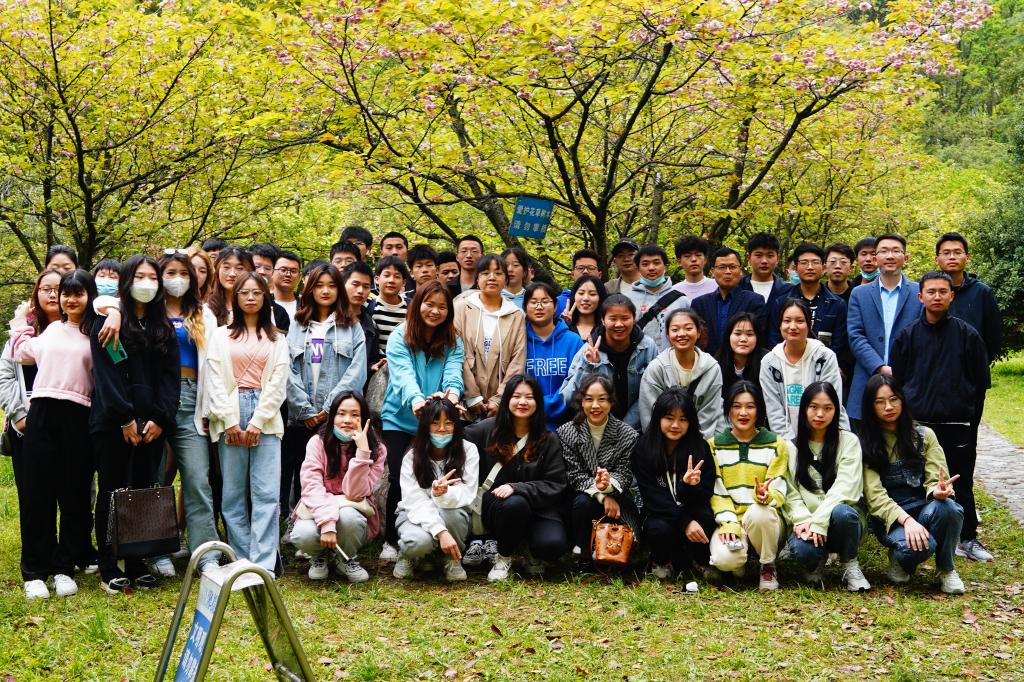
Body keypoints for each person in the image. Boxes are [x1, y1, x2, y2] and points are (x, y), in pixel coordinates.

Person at [90, 255, 181, 593]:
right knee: (112, 491)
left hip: (153, 425)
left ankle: (137, 560)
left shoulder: (163, 328)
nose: (146, 283)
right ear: (127, 281)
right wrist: (125, 418)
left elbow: (171, 378)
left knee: (143, 490)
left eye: (152, 277)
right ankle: (108, 564)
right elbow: (107, 376)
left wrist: (159, 418)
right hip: (113, 423)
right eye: (139, 276)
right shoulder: (109, 323)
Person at [890, 270, 992, 562]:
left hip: (957, 423)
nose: (937, 296)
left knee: (961, 480)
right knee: (914, 482)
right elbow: (897, 383)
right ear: (920, 297)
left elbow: (980, 386)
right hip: (918, 425)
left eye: (942, 291)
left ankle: (967, 537)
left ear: (952, 296)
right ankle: (917, 534)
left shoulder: (968, 335)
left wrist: (970, 423)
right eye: (931, 292)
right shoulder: (907, 336)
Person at [9, 270, 96, 599]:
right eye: (65, 293)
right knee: (37, 495)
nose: (70, 299)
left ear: (89, 296)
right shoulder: (52, 331)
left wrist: (111, 313)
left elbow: (118, 360)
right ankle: (34, 571)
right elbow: (22, 352)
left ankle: (64, 567)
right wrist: (21, 320)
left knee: (74, 496)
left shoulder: (98, 333)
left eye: (78, 293)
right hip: (42, 413)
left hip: (79, 415)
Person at [204, 272, 290, 572]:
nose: (250, 298)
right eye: (244, 293)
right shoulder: (220, 335)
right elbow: (214, 379)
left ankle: (263, 565)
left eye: (256, 293)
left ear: (266, 297)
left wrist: (258, 422)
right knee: (232, 495)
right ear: (236, 297)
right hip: (230, 412)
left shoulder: (277, 338)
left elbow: (278, 382)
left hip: (266, 417)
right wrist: (229, 422)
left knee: (266, 493)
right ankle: (242, 562)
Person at [378, 280, 464, 563]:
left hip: (437, 420)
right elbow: (402, 375)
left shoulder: (453, 340)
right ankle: (392, 539)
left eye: (442, 307)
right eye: (429, 304)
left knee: (438, 476)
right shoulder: (399, 336)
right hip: (400, 418)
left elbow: (453, 375)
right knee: (397, 477)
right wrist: (416, 400)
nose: (435, 311)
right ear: (417, 305)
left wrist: (451, 398)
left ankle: (435, 536)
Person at [859, 374, 966, 594]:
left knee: (950, 509)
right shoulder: (865, 444)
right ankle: (901, 557)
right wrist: (907, 521)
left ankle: (946, 569)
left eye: (894, 399)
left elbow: (937, 477)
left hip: (925, 510)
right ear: (870, 407)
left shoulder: (924, 436)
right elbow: (875, 497)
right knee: (921, 547)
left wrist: (937, 491)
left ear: (902, 400)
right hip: (891, 521)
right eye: (880, 402)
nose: (888, 407)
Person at [285, 263, 367, 528]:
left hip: (336, 415)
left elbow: (356, 372)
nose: (325, 291)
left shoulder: (351, 326)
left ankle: (337, 522)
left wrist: (329, 409)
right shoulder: (297, 325)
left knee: (332, 469)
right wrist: (305, 410)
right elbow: (287, 369)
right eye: (319, 285)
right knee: (304, 469)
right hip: (302, 416)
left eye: (332, 286)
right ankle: (301, 522)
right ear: (309, 289)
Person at [464, 376, 569, 581]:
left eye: (529, 397)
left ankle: (528, 546)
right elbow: (454, 438)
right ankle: (503, 557)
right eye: (516, 396)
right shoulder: (487, 429)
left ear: (538, 402)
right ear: (507, 400)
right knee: (515, 504)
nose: (522, 402)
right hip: (497, 506)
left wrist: (517, 487)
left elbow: (555, 484)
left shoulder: (548, 439)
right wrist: (444, 411)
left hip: (538, 509)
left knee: (552, 545)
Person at [159, 252, 220, 575]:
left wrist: (210, 407)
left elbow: (214, 363)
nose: (178, 279)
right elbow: (106, 305)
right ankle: (156, 551)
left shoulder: (203, 313)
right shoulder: (146, 310)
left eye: (184, 273)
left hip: (193, 398)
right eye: (171, 272)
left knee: (197, 480)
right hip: (156, 400)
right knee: (156, 480)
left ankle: (206, 555)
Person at [783, 382, 870, 591]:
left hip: (842, 519)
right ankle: (816, 561)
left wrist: (820, 521)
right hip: (808, 520)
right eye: (813, 407)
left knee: (843, 513)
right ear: (804, 409)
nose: (820, 414)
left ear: (836, 411)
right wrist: (803, 519)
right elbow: (791, 493)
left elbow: (845, 487)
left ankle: (850, 563)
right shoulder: (790, 447)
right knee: (804, 551)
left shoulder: (849, 441)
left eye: (828, 408)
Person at [290, 391, 385, 583]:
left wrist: (362, 452)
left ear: (364, 419)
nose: (347, 420)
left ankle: (346, 557)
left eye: (355, 415)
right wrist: (327, 523)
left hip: (352, 511)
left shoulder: (377, 450)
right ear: (332, 416)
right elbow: (311, 487)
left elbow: (355, 494)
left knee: (349, 517)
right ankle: (319, 556)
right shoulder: (317, 443)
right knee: (302, 534)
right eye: (341, 414)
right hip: (318, 509)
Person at [708, 381, 789, 591]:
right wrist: (729, 523)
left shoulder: (776, 444)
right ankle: (739, 562)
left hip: (766, 521)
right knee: (724, 560)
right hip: (731, 521)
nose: (743, 413)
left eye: (750, 406)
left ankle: (767, 565)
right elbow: (717, 492)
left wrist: (766, 496)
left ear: (759, 410)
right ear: (728, 410)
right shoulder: (714, 445)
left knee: (760, 512)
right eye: (737, 406)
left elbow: (779, 488)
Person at [556, 375, 639, 570]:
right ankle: (583, 553)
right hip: (580, 500)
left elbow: (625, 473)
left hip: (618, 499)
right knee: (583, 502)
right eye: (589, 399)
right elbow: (574, 475)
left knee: (624, 551)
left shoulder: (627, 434)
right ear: (581, 402)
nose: (595, 406)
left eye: (602, 399)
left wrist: (609, 486)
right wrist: (602, 495)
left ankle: (607, 551)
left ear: (611, 402)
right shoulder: (567, 432)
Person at [393, 396, 479, 582]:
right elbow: (414, 500)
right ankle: (410, 555)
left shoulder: (469, 450)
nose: (442, 429)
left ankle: (451, 558)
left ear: (456, 425)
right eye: (435, 423)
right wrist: (441, 532)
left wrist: (444, 494)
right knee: (417, 542)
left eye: (448, 423)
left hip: (453, 514)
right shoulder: (412, 456)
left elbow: (468, 493)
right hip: (414, 514)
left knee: (453, 514)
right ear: (425, 426)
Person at [632, 388, 716, 579]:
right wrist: (685, 522)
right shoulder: (644, 448)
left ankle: (700, 559)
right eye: (669, 418)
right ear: (658, 418)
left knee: (705, 517)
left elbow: (706, 494)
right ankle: (661, 560)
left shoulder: (700, 448)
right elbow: (653, 498)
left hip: (691, 509)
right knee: (659, 529)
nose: (676, 425)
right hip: (659, 512)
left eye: (683, 419)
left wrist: (688, 486)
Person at [846, 233, 922, 426]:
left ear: (905, 258)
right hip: (866, 380)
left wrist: (900, 368)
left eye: (896, 251)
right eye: (884, 251)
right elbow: (855, 336)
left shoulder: (919, 292)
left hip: (908, 382)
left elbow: (923, 336)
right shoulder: (859, 294)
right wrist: (879, 367)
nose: (890, 256)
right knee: (865, 441)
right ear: (875, 258)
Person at [561, 295, 658, 429]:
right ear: (602, 320)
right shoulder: (588, 350)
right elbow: (567, 399)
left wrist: (623, 429)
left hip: (637, 428)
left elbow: (651, 394)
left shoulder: (647, 347)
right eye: (612, 319)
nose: (619, 324)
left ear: (634, 318)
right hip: (595, 428)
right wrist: (589, 366)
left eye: (625, 318)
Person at [760, 299, 849, 439]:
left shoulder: (825, 357)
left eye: (799, 321)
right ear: (780, 325)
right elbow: (774, 412)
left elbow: (832, 404)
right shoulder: (769, 363)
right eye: (787, 321)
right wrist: (791, 444)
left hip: (826, 437)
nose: (792, 326)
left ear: (809, 324)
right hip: (786, 441)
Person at [453, 253, 526, 420]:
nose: (492, 277)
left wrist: (499, 399)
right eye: (485, 273)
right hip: (463, 404)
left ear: (506, 279)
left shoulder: (516, 314)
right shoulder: (461, 308)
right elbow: (456, 352)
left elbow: (517, 361)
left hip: (500, 408)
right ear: (477, 278)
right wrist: (472, 396)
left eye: (498, 273)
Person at [637, 309, 724, 437]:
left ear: (698, 332)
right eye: (675, 329)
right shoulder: (657, 368)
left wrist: (698, 445)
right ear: (668, 335)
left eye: (688, 328)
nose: (682, 334)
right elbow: (649, 414)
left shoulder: (712, 368)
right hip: (663, 441)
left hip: (700, 440)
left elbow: (710, 414)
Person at [767, 243, 848, 364]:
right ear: (795, 268)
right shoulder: (781, 302)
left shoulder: (837, 304)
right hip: (787, 365)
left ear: (824, 268)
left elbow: (840, 343)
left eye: (815, 262)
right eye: (804, 262)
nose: (810, 267)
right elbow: (774, 338)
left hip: (824, 366)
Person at [523, 282, 584, 431]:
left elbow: (579, 380)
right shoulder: (518, 340)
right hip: (526, 421)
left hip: (568, 425)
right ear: (525, 307)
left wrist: (551, 404)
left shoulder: (573, 341)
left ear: (555, 306)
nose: (539, 307)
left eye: (545, 301)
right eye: (533, 302)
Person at [935, 232, 1002, 366]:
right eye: (946, 253)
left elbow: (994, 335)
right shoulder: (929, 291)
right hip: (935, 368)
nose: (952, 257)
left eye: (957, 252)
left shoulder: (982, 292)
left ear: (967, 257)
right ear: (937, 259)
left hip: (972, 370)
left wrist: (980, 363)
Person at [691, 247, 766, 356]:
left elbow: (759, 337)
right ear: (712, 272)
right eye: (722, 267)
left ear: (740, 270)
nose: (727, 272)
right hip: (707, 362)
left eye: (732, 267)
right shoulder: (699, 304)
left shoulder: (754, 301)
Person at [623, 244, 690, 350]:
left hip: (673, 358)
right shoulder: (627, 300)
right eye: (645, 264)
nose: (651, 268)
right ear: (638, 268)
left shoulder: (681, 300)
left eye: (656, 263)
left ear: (665, 266)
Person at [342, 262, 381, 379]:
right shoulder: (327, 317)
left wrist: (372, 367)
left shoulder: (371, 326)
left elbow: (371, 360)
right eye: (355, 284)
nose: (360, 290)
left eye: (366, 286)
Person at [715, 312, 766, 400]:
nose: (743, 339)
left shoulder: (766, 361)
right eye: (737, 334)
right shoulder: (717, 362)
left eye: (749, 334)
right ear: (728, 336)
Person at [739, 232, 792, 310]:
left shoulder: (788, 290)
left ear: (778, 258)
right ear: (748, 258)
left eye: (770, 256)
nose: (764, 261)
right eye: (758, 255)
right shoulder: (737, 288)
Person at [205, 245, 255, 326]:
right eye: (226, 267)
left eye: (239, 268)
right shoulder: (206, 309)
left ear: (251, 272)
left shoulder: (258, 306)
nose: (232, 274)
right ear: (217, 270)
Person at [369, 256, 411, 347]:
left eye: (397, 276)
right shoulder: (368, 306)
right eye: (386, 275)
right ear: (377, 279)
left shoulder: (411, 307)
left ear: (404, 282)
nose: (391, 280)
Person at [554, 249, 603, 315]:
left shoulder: (608, 302)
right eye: (580, 268)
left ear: (599, 275)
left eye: (591, 268)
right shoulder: (557, 303)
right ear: (572, 274)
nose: (585, 271)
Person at [563, 274, 606, 343]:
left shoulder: (606, 329)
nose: (586, 298)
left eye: (592, 294)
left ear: (600, 298)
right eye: (581, 293)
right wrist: (563, 324)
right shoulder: (562, 327)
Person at [673, 236, 718, 300]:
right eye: (687, 256)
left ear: (705, 259)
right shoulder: (673, 292)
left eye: (698, 255)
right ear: (679, 262)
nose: (693, 259)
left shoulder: (718, 287)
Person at [272, 250, 302, 319]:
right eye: (283, 270)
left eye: (293, 271)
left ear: (299, 276)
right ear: (272, 272)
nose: (288, 274)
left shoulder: (307, 306)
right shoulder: (261, 303)